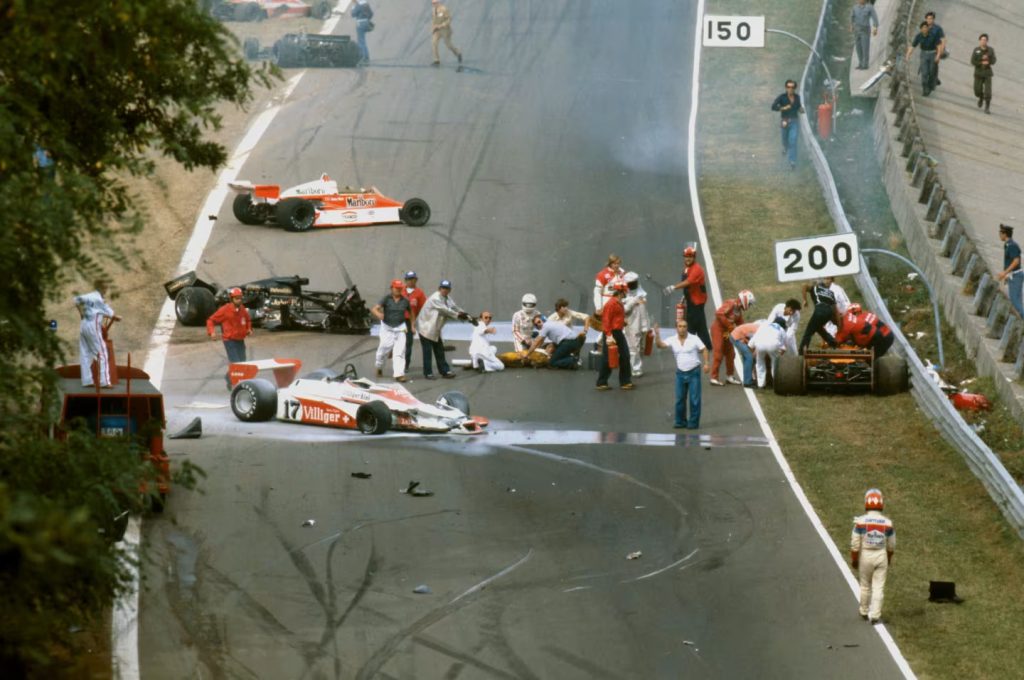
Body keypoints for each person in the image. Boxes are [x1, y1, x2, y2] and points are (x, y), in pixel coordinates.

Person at [851, 488, 895, 624]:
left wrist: (854, 559)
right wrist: (888, 558)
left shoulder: (861, 522)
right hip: (881, 555)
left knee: (865, 586)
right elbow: (891, 545)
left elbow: (855, 544)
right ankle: (875, 614)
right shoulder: (888, 523)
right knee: (878, 587)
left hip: (866, 556)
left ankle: (864, 611)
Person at [654, 320, 709, 429]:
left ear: (687, 327)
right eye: (680, 326)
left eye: (684, 326)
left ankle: (693, 423)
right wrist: (657, 335)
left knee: (694, 399)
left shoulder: (694, 338)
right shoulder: (672, 339)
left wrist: (706, 363)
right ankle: (680, 421)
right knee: (680, 399)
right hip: (680, 373)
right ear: (676, 328)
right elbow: (661, 345)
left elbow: (704, 349)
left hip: (694, 372)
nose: (682, 329)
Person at [417, 279, 471, 380]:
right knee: (427, 352)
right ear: (439, 288)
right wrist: (459, 315)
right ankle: (428, 373)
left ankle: (445, 371)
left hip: (435, 329)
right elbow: (446, 310)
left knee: (439, 351)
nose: (445, 290)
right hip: (425, 328)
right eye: (443, 288)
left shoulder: (447, 298)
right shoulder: (435, 298)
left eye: (447, 288)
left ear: (449, 290)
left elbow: (454, 307)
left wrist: (468, 316)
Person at [663, 246, 712, 350]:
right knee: (700, 325)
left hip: (697, 301)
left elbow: (688, 282)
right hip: (692, 299)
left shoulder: (697, 269)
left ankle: (689, 345)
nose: (687, 259)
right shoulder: (687, 268)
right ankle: (706, 345)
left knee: (692, 324)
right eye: (686, 257)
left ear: (694, 257)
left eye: (690, 257)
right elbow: (689, 286)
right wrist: (684, 296)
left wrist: (673, 287)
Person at [74, 280, 120, 388]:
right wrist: (117, 317)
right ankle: (105, 382)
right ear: (102, 289)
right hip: (93, 327)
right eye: (105, 288)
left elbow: (76, 300)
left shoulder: (89, 296)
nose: (106, 290)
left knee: (85, 353)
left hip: (83, 325)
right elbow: (112, 315)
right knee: (102, 353)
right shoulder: (100, 300)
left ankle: (87, 380)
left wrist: (81, 313)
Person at [207, 287, 252, 390]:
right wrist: (212, 332)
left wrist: (249, 329)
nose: (239, 300)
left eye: (240, 298)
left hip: (240, 339)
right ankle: (236, 385)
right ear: (231, 299)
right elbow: (211, 320)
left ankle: (228, 377)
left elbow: (248, 320)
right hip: (229, 341)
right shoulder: (225, 310)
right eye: (236, 298)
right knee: (237, 363)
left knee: (243, 361)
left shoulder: (242, 309)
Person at [709, 289, 755, 386]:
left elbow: (741, 326)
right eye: (749, 304)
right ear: (745, 300)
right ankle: (714, 377)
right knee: (718, 353)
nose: (749, 306)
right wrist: (729, 326)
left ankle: (730, 376)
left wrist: (747, 338)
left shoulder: (739, 311)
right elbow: (719, 313)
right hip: (718, 329)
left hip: (727, 332)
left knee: (731, 354)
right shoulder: (731, 303)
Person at [371, 279, 410, 381]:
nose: (398, 290)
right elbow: (374, 309)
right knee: (383, 348)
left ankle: (399, 374)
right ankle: (379, 366)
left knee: (400, 351)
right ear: (391, 288)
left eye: (400, 288)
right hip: (387, 327)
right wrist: (379, 314)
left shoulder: (405, 301)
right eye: (396, 288)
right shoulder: (386, 299)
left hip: (400, 328)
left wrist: (413, 324)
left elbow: (412, 313)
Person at [596, 283, 633, 390]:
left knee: (625, 355)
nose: (626, 293)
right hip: (612, 333)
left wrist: (622, 322)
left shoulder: (618, 302)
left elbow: (615, 318)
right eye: (625, 291)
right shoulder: (611, 304)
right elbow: (606, 320)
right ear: (621, 292)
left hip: (618, 331)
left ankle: (625, 381)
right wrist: (608, 336)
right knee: (608, 357)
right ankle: (601, 382)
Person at [770, 80, 804, 169]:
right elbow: (773, 106)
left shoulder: (797, 97)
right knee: (785, 139)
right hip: (784, 121)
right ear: (786, 88)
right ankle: (785, 147)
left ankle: (792, 161)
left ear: (794, 88)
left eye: (792, 87)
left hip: (794, 121)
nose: (790, 89)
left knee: (793, 140)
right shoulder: (782, 97)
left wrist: (801, 109)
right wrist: (783, 108)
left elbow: (798, 107)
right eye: (788, 87)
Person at [622, 272, 651, 377]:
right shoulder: (622, 294)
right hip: (630, 324)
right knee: (634, 348)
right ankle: (635, 368)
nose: (634, 285)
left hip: (642, 324)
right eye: (632, 283)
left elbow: (644, 309)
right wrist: (632, 301)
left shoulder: (639, 291)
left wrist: (646, 325)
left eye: (635, 283)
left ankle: (636, 365)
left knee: (641, 347)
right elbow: (623, 310)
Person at [906, 19, 944, 96]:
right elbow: (913, 46)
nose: (925, 29)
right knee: (924, 72)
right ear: (921, 29)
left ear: (928, 28)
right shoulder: (919, 36)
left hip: (933, 53)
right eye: (923, 28)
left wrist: (938, 55)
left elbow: (939, 46)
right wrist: (908, 55)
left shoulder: (933, 36)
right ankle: (925, 88)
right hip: (924, 54)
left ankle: (932, 84)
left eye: (926, 27)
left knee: (931, 71)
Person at [800, 278, 838, 353]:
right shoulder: (831, 292)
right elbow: (835, 310)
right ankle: (833, 342)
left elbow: (804, 285)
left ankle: (801, 351)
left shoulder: (815, 287)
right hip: (829, 312)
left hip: (820, 309)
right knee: (818, 327)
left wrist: (805, 300)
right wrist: (837, 323)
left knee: (809, 332)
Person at [749, 316, 788, 389]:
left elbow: (751, 345)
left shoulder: (763, 326)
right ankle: (776, 383)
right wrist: (779, 357)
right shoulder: (782, 330)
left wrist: (754, 355)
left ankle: (761, 385)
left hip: (760, 345)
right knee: (775, 364)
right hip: (773, 345)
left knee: (760, 363)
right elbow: (784, 348)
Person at [403, 271, 427, 372]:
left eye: (413, 279)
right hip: (399, 320)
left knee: (408, 343)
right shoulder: (400, 290)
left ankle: (406, 364)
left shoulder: (419, 293)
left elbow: (423, 308)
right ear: (406, 280)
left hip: (410, 321)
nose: (411, 281)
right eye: (409, 279)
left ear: (416, 280)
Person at [998, 224, 1023, 318]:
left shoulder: (1012, 246)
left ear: (1005, 234)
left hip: (1016, 276)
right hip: (1013, 275)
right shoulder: (1008, 244)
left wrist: (1004, 273)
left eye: (1000, 233)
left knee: (1015, 302)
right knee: (1018, 301)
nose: (999, 235)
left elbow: (1016, 261)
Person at [430, 0, 462, 67]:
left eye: (435, 3)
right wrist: (433, 27)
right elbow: (434, 19)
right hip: (437, 30)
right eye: (433, 3)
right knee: (434, 43)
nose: (434, 4)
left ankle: (458, 53)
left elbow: (449, 19)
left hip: (445, 30)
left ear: (438, 2)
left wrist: (441, 25)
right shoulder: (433, 10)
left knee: (448, 45)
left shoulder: (444, 9)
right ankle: (437, 60)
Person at [729, 320, 760, 387]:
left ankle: (747, 379)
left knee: (747, 358)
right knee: (749, 358)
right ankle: (747, 382)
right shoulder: (759, 332)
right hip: (736, 337)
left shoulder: (759, 328)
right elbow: (753, 344)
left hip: (738, 335)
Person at [971, 34, 997, 114]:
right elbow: (972, 61)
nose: (983, 41)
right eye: (982, 40)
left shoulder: (990, 50)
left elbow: (994, 60)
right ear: (979, 41)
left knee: (988, 91)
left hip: (987, 73)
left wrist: (988, 60)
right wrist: (981, 62)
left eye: (985, 40)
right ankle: (981, 97)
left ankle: (987, 107)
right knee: (977, 91)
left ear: (987, 41)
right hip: (978, 73)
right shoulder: (976, 50)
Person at [850, 0, 879, 70]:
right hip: (857, 30)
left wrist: (875, 28)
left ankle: (865, 65)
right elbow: (852, 17)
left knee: (865, 48)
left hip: (865, 30)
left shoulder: (869, 7)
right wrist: (851, 25)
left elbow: (875, 18)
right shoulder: (855, 7)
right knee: (858, 48)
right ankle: (860, 63)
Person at [351, 0, 374, 64]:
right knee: (363, 41)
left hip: (360, 23)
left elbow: (353, 14)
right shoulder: (366, 4)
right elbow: (371, 14)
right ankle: (366, 56)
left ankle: (364, 57)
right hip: (366, 22)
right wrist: (366, 19)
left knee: (361, 41)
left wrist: (353, 7)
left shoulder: (358, 5)